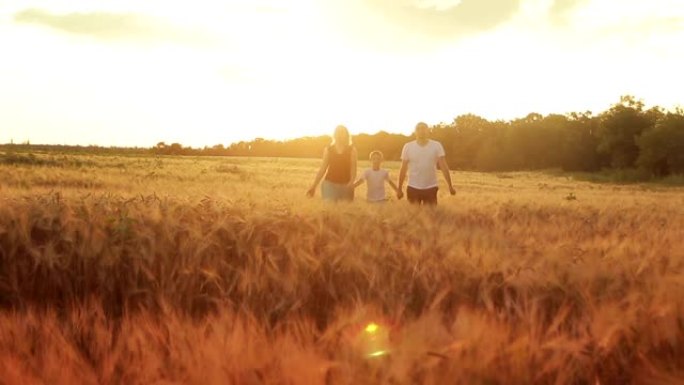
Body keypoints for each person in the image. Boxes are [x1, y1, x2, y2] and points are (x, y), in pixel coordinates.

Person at [397, 122, 456, 205]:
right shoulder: (408, 147)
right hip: (413, 187)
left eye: (424, 128)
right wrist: (399, 188)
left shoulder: (436, 145)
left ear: (428, 131)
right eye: (418, 129)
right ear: (415, 132)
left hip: (431, 187)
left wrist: (450, 186)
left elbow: (443, 166)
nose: (421, 131)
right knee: (413, 215)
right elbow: (403, 168)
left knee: (431, 215)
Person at [307, 125, 357, 201]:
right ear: (335, 135)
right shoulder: (328, 149)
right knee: (329, 208)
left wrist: (351, 182)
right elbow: (323, 168)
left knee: (344, 209)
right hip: (329, 184)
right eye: (338, 133)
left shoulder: (352, 150)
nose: (340, 135)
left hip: (346, 185)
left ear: (346, 135)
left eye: (342, 133)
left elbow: (353, 168)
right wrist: (314, 186)